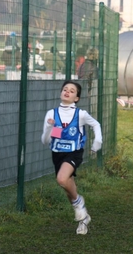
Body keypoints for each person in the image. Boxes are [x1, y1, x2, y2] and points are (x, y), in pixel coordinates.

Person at [41, 80, 102, 235]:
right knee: (67, 187)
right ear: (61, 92)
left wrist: (97, 142)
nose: (67, 92)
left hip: (74, 152)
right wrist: (50, 127)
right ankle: (83, 220)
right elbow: (45, 141)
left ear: (76, 98)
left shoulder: (80, 115)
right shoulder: (51, 114)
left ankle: (79, 203)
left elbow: (96, 124)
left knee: (61, 179)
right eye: (65, 89)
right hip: (57, 153)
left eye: (72, 91)